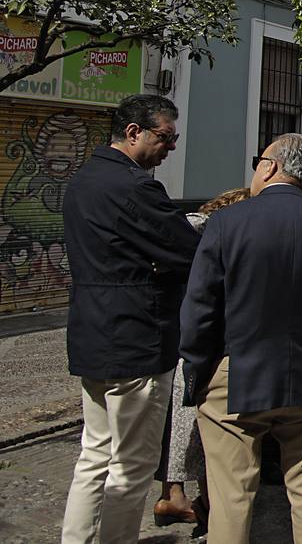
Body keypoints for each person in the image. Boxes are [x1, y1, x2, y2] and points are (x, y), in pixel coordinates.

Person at [180, 133, 302, 544]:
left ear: (270, 166)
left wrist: (197, 368)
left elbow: (199, 308)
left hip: (236, 370)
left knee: (232, 494)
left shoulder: (227, 222)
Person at [61, 94, 199, 544]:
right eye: (166, 137)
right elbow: (186, 249)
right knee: (133, 463)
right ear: (135, 132)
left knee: (94, 453)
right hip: (136, 338)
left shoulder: (84, 179)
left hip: (93, 333)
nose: (171, 148)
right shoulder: (135, 187)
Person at [155, 188, 251, 533]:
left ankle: (182, 496)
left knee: (190, 425)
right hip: (199, 338)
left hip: (198, 335)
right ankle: (201, 502)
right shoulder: (202, 225)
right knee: (198, 427)